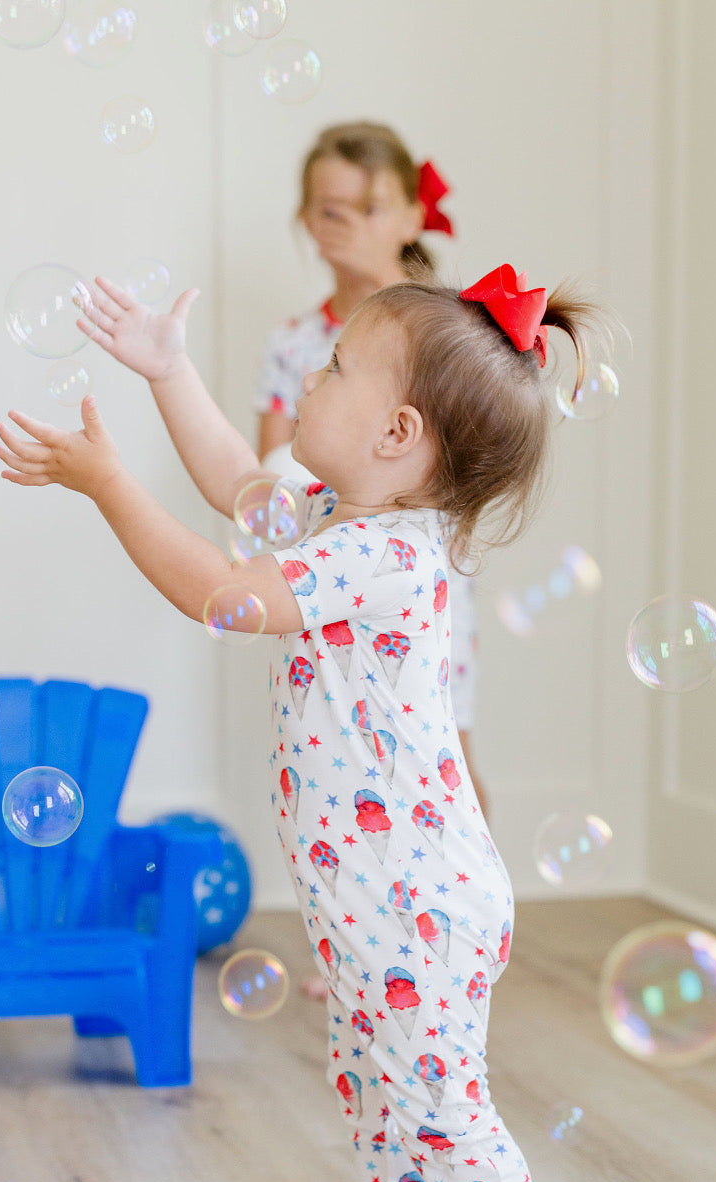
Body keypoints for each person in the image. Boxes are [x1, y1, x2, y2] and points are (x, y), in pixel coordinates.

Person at [0, 262, 607, 1182]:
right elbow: (239, 485)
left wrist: (108, 483)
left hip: (420, 903)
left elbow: (217, 588)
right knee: (371, 1079)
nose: (309, 381)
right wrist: (168, 371)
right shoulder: (341, 513)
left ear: (396, 431)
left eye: (332, 370)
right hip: (365, 891)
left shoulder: (384, 555)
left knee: (439, 1101)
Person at [254, 123, 484, 810]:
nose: (348, 225)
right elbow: (267, 476)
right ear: (305, 221)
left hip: (416, 579)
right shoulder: (294, 343)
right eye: (331, 209)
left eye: (370, 208)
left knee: (446, 758)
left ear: (414, 217)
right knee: (359, 772)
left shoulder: (445, 337)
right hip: (327, 576)